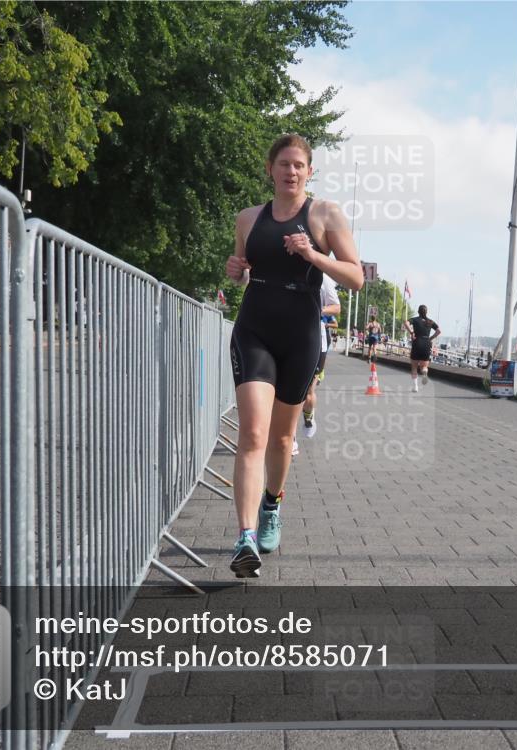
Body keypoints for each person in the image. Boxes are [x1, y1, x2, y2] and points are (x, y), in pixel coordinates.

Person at [225, 134, 363, 577]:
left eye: (299, 165)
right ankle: (245, 539)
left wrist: (313, 253)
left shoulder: (326, 214)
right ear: (270, 169)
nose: (291, 172)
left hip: (301, 334)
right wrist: (235, 270)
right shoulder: (248, 218)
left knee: (282, 440)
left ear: (310, 171)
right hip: (255, 328)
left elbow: (356, 278)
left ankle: (272, 504)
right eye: (283, 164)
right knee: (253, 435)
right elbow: (244, 272)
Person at [300, 277, 342, 441]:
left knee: (307, 390)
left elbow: (336, 310)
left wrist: (318, 310)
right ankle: (291, 437)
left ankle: (308, 418)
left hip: (317, 339)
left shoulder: (322, 278)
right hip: (290, 334)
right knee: (295, 390)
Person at [403, 304, 440, 392]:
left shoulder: (415, 320)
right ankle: (424, 372)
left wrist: (411, 332)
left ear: (418, 311)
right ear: (426, 312)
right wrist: (431, 338)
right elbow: (439, 331)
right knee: (424, 366)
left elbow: (406, 323)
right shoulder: (430, 321)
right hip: (426, 343)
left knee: (414, 366)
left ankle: (415, 387)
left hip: (417, 342)